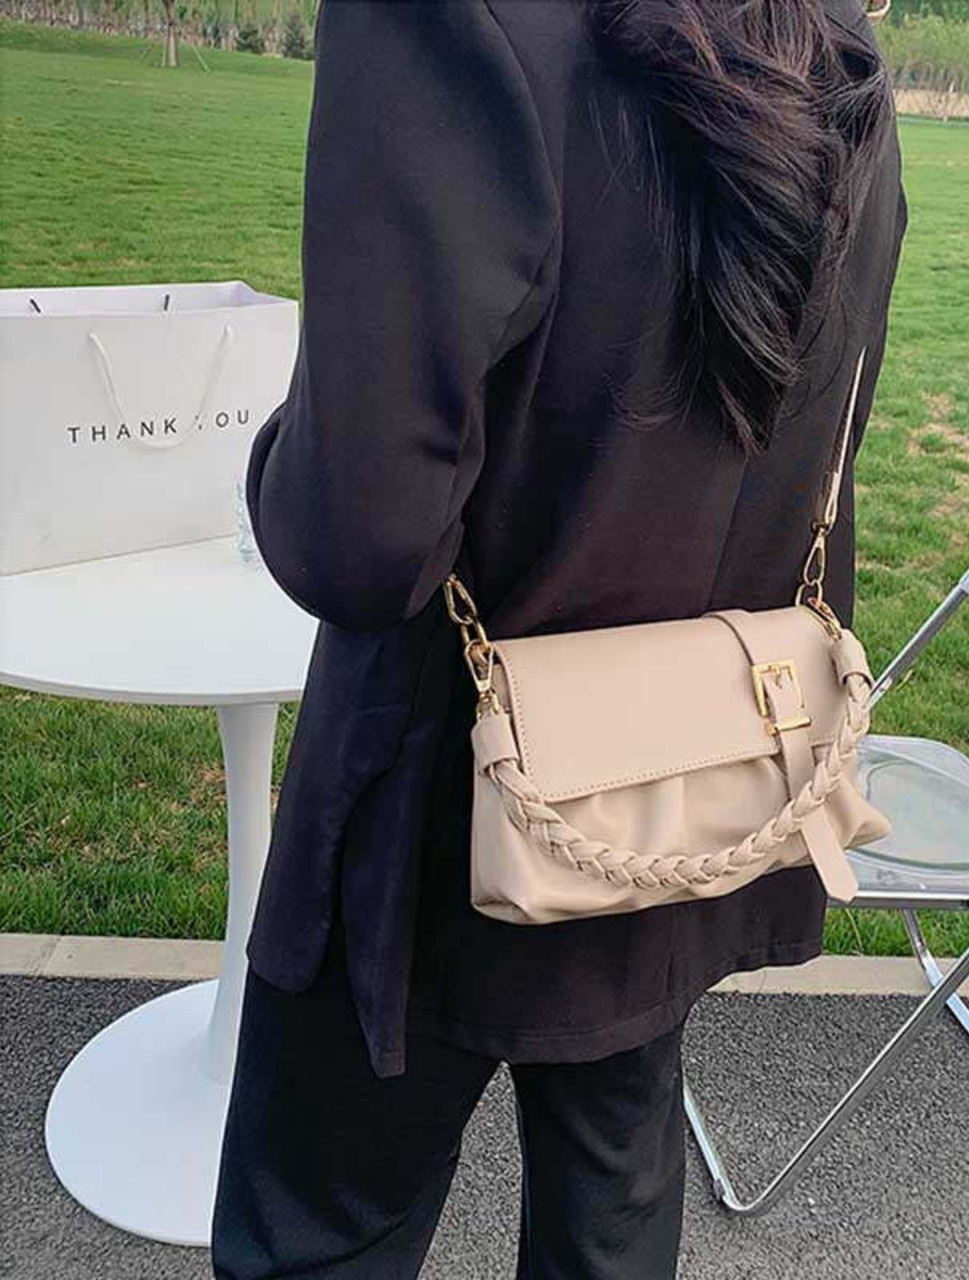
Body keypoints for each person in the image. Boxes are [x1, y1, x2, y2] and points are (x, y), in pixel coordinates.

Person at [210, 1, 908, 1276]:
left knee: (322, 1231)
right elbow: (814, 432)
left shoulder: (444, 19)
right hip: (688, 787)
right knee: (613, 1206)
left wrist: (271, 460)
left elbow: (358, 540)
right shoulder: (828, 41)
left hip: (426, 817)